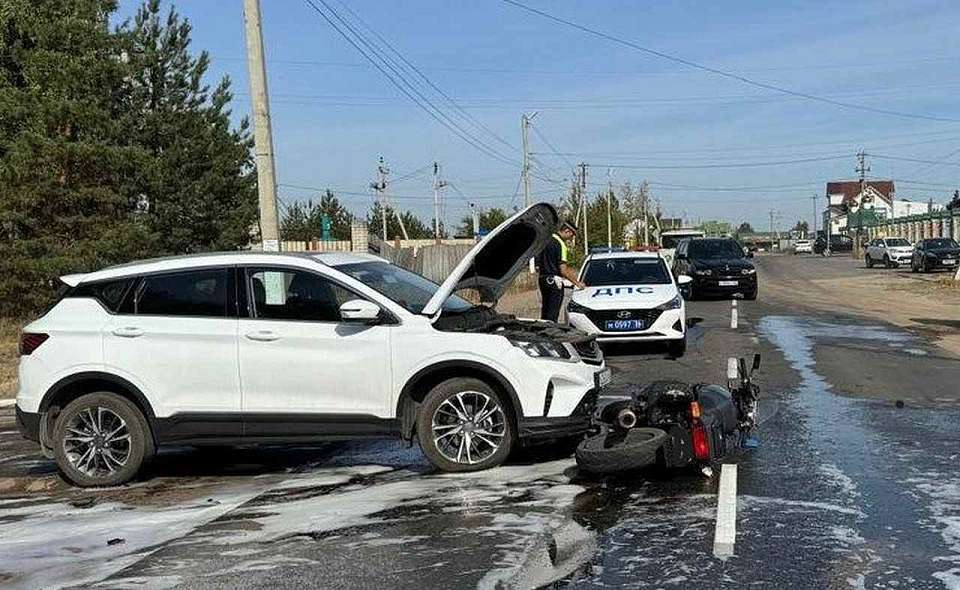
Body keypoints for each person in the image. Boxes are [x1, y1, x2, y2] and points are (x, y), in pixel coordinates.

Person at [535, 221, 585, 322]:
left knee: (545, 312)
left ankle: (543, 329)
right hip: (555, 281)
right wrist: (577, 283)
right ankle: (551, 330)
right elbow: (563, 270)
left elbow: (536, 266)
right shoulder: (560, 244)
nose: (571, 238)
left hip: (542, 279)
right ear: (567, 231)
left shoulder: (544, 241)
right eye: (572, 235)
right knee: (553, 314)